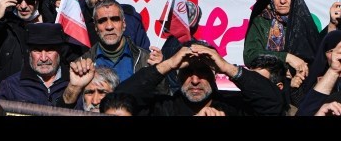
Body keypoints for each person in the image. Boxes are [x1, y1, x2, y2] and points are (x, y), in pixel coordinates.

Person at [115, 40, 285, 116]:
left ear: (215, 73)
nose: (195, 80)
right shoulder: (161, 109)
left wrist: (228, 67)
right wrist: (168, 64)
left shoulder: (234, 107)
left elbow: (273, 103)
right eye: (188, 72)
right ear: (178, 74)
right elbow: (118, 101)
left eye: (203, 72)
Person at [243, 0, 320, 98]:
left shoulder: (304, 23)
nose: (282, 1)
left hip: (299, 90)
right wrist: (287, 58)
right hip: (265, 89)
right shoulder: (261, 21)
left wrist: (296, 72)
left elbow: (315, 57)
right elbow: (250, 55)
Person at [0, 23, 71, 106]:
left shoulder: (74, 83)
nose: (43, 58)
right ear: (29, 53)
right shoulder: (10, 86)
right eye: (37, 51)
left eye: (50, 50)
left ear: (59, 52)